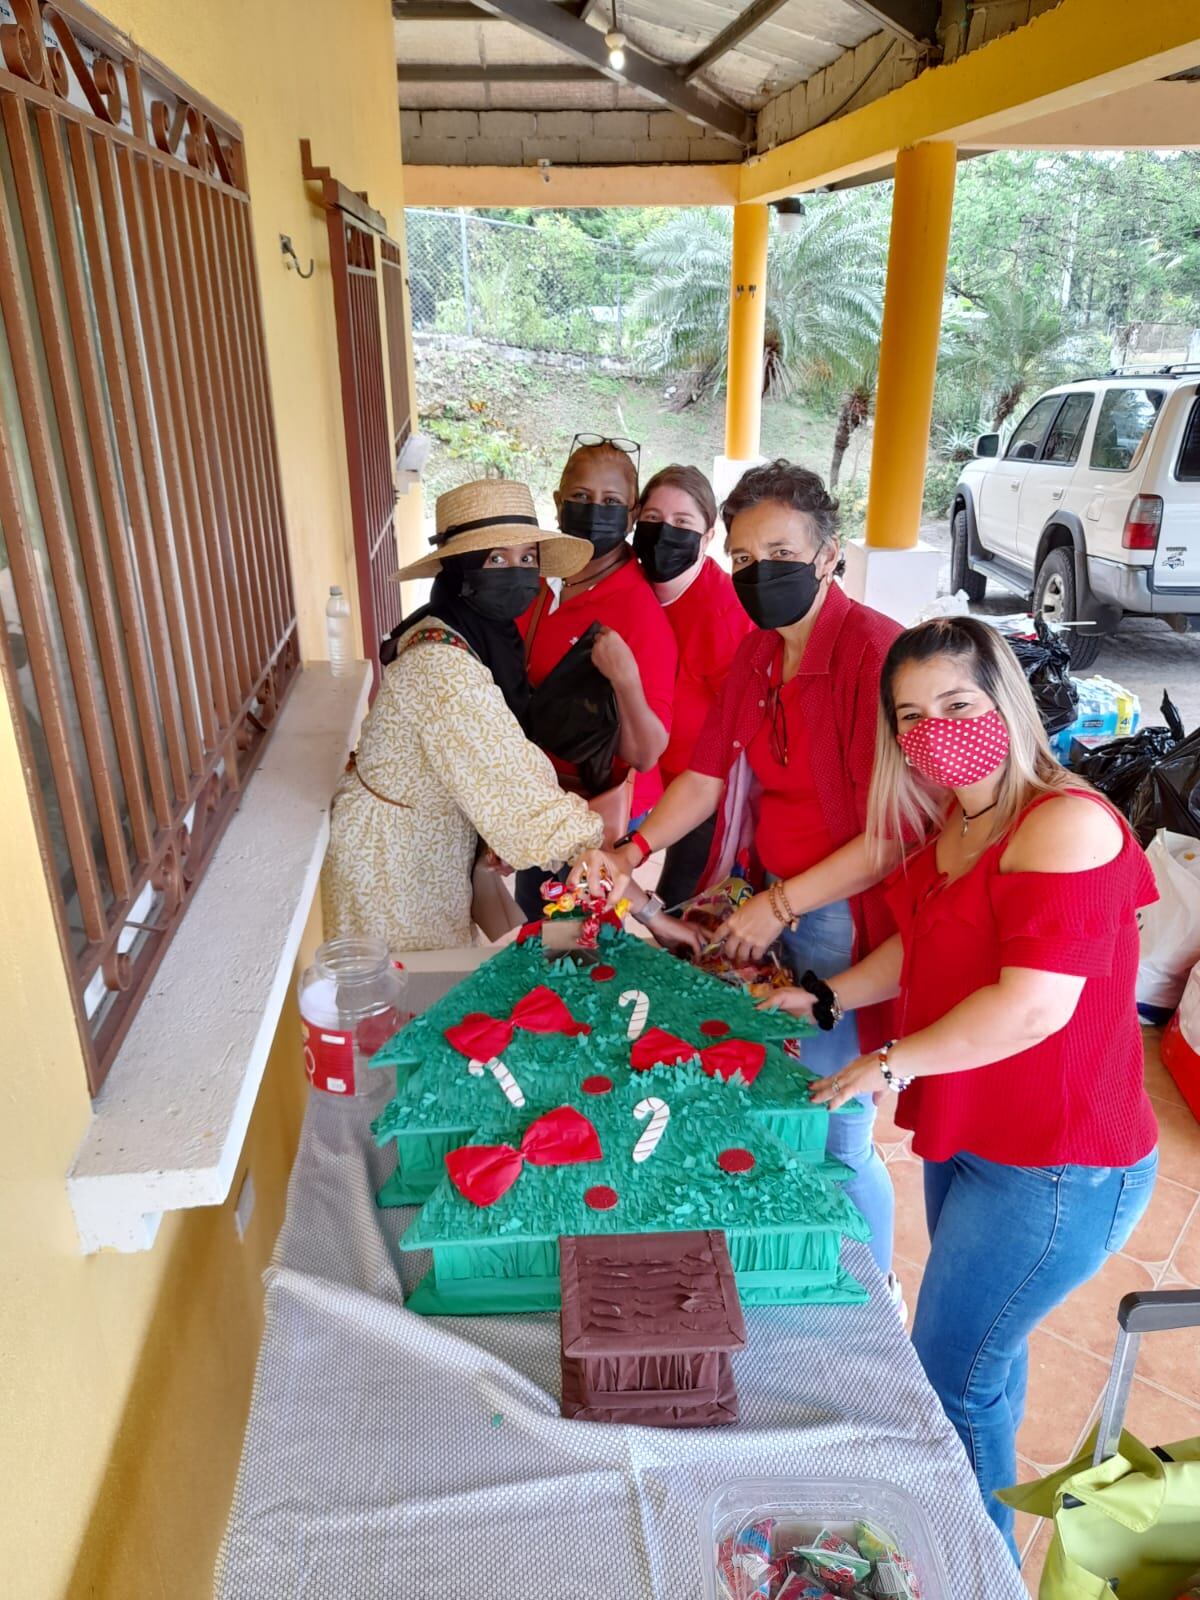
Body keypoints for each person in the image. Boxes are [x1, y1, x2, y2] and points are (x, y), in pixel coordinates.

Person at [776, 616, 1159, 1560]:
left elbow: (1029, 1008)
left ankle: (976, 1566)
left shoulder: (1064, 822)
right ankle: (969, 1544)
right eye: (911, 715)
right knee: (983, 1353)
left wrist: (887, 1061)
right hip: (984, 1138)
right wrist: (825, 996)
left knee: (955, 1378)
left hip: (1060, 1166)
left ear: (1007, 701)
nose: (935, 728)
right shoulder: (964, 818)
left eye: (957, 703)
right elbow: (928, 942)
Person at [570, 460, 902, 1275]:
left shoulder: (875, 654)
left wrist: (783, 907)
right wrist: (630, 851)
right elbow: (706, 775)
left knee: (832, 1118)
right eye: (744, 561)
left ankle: (869, 1285)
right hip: (778, 893)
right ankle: (789, 1253)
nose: (761, 576)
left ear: (829, 555)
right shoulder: (759, 654)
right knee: (773, 1091)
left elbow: (889, 837)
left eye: (782, 552)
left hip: (846, 913)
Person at [320, 480, 604, 951]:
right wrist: (588, 849)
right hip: (392, 872)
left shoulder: (463, 634)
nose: (516, 573)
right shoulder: (442, 666)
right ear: (459, 570)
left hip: (424, 850)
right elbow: (507, 777)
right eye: (496, 559)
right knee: (410, 1005)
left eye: (526, 559)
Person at [514, 435, 678, 918]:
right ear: (558, 502)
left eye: (611, 502)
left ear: (630, 517)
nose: (594, 510)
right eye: (581, 498)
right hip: (543, 799)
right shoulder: (541, 583)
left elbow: (647, 752)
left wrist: (625, 679)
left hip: (595, 816)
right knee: (536, 918)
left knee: (572, 941)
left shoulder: (636, 610)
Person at [632, 463, 752, 908]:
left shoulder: (723, 613)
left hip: (702, 791)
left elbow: (742, 723)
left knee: (682, 905)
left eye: (683, 523)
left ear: (707, 537)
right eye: (652, 519)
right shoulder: (631, 585)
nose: (665, 534)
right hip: (639, 775)